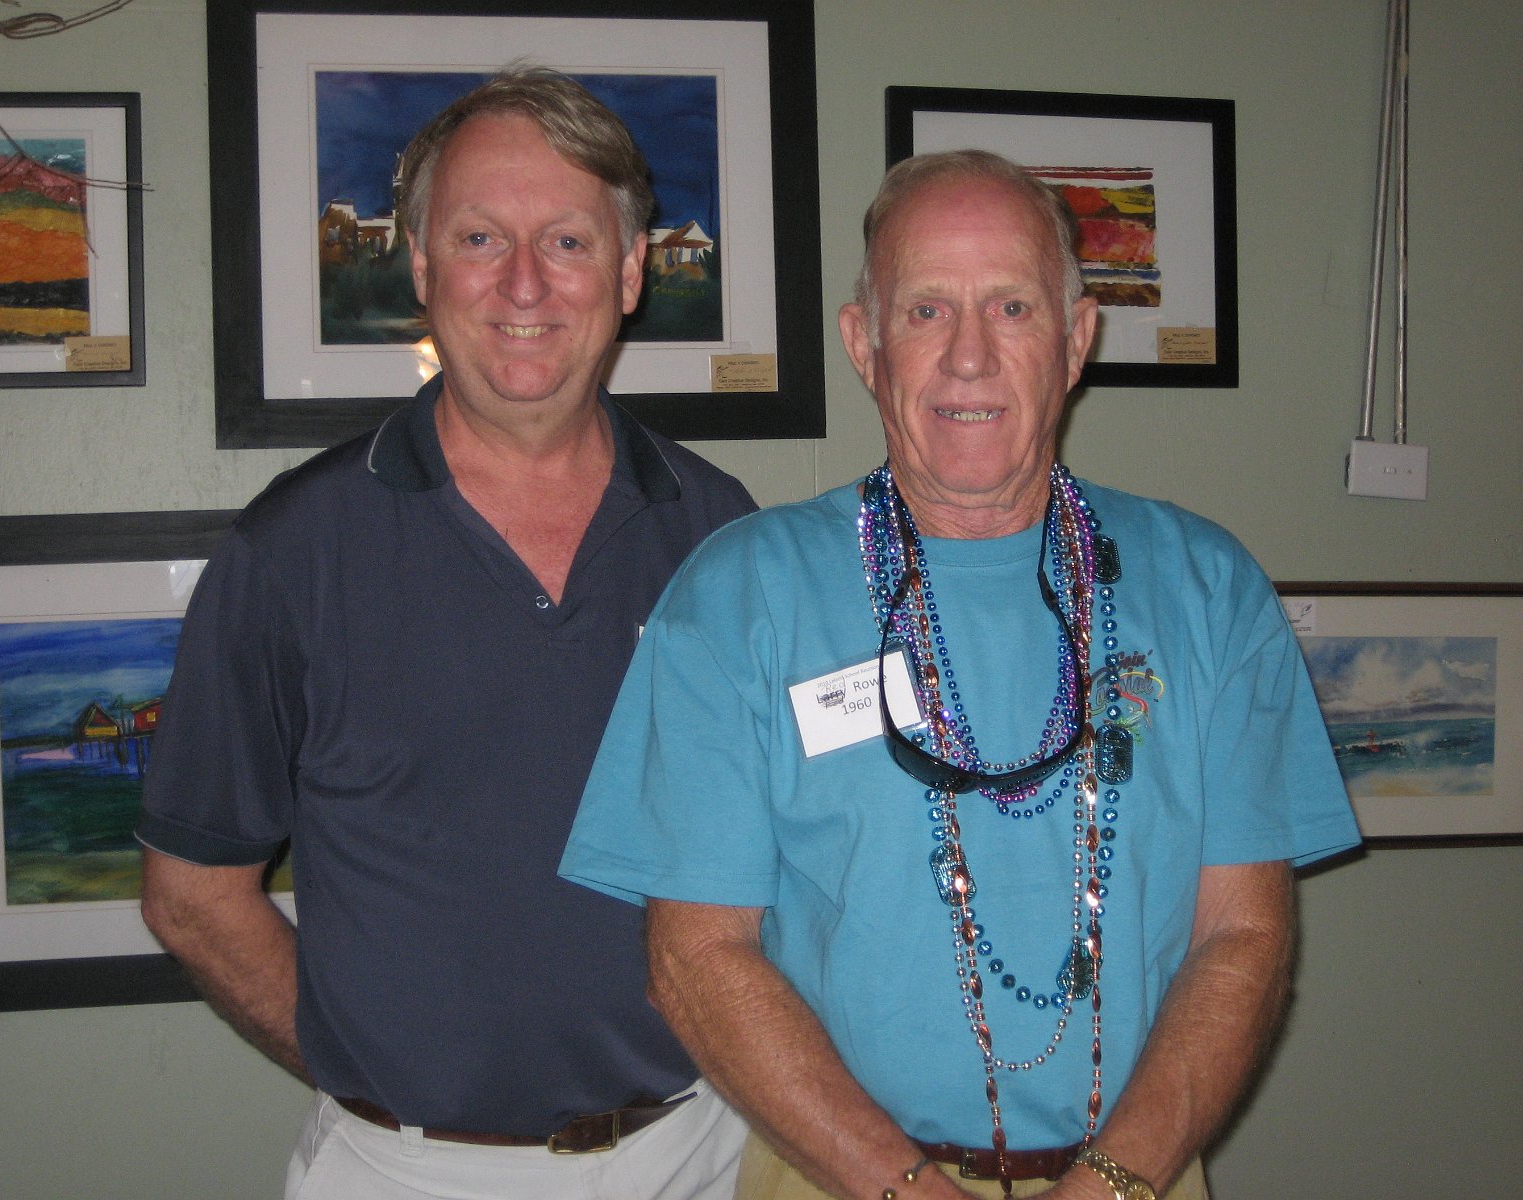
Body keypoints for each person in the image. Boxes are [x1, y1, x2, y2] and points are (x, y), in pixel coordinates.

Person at [559, 150, 1360, 1200]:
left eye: (1013, 308)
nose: (970, 358)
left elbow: (1242, 933)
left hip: (1141, 1181)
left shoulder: (1209, 587)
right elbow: (698, 959)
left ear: (1075, 341)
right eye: (926, 309)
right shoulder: (739, 595)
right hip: (838, 1178)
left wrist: (1112, 1182)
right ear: (865, 343)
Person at [136, 67, 755, 1200]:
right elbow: (191, 892)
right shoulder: (290, 552)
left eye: (568, 241)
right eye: (479, 237)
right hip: (403, 1172)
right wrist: (362, 1064)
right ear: (421, 266)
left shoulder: (723, 536)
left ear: (628, 272)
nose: (524, 284)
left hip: (698, 1153)